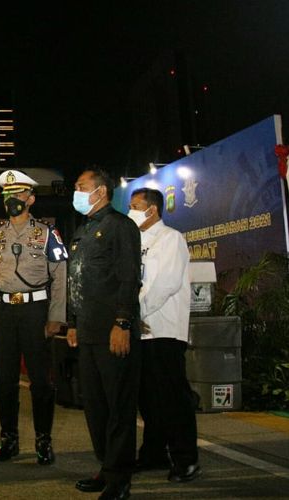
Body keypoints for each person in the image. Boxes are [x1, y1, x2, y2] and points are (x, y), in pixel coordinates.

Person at [0, 170, 67, 465]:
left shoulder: (47, 234)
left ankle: (43, 440)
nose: (11, 200)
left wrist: (56, 316)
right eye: (7, 196)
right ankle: (9, 440)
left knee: (40, 381)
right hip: (4, 312)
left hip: (34, 312)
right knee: (4, 381)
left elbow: (60, 276)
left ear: (30, 199)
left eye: (17, 195)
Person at [66, 169, 141, 500]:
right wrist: (72, 324)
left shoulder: (121, 226)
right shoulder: (84, 230)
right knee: (94, 405)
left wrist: (122, 322)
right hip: (87, 332)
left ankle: (120, 478)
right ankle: (106, 466)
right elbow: (76, 281)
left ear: (100, 192)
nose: (76, 191)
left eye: (81, 187)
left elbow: (128, 277)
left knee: (118, 406)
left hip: (113, 330)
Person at [128, 188, 201, 482]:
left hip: (164, 330)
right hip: (139, 331)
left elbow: (165, 284)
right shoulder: (134, 242)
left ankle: (186, 459)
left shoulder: (171, 239)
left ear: (153, 209)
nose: (130, 211)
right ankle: (154, 453)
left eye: (136, 206)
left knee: (172, 397)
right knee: (147, 398)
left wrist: (137, 313)